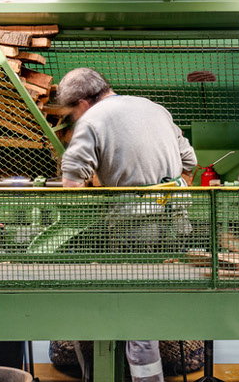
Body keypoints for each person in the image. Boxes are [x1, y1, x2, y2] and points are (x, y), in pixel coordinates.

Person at [54, 68, 197, 382]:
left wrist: (103, 185)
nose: (73, 118)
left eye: (71, 112)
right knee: (155, 300)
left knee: (137, 312)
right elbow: (189, 162)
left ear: (82, 102)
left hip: (135, 228)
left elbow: (71, 182)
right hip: (177, 225)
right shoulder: (154, 108)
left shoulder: (93, 119)